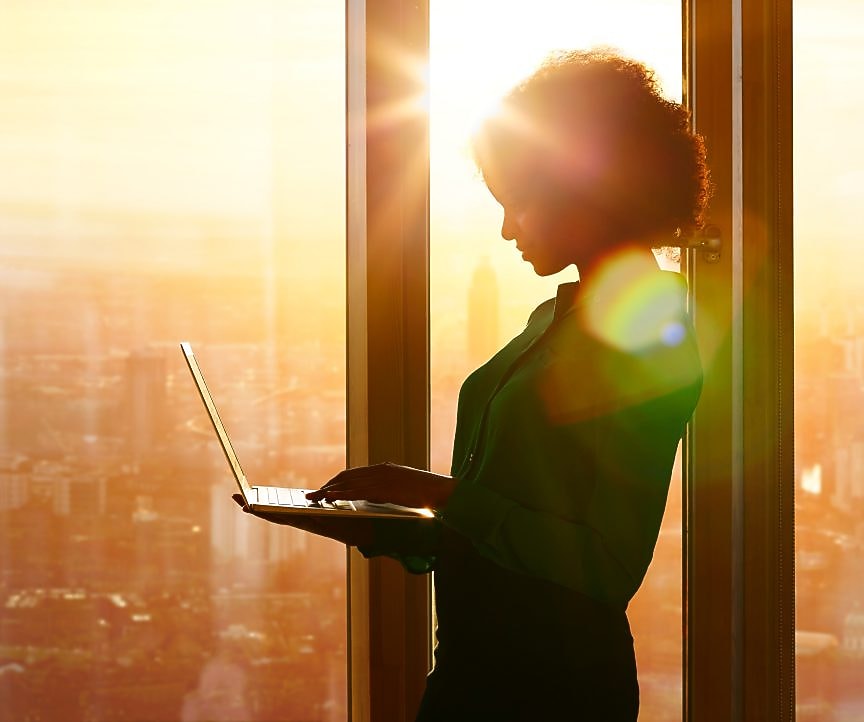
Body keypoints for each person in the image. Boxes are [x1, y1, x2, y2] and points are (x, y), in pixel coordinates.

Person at [233, 49, 709, 721]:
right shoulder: (556, 319)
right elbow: (510, 515)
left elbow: (605, 565)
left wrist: (436, 496)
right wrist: (389, 519)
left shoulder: (644, 338)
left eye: (518, 203)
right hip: (475, 667)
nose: (508, 228)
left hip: (553, 688)